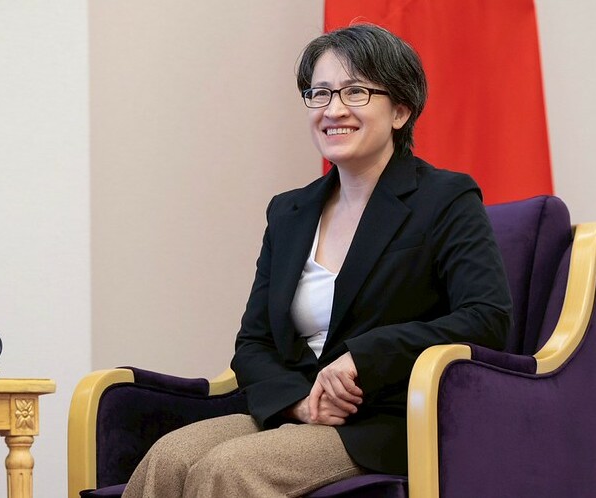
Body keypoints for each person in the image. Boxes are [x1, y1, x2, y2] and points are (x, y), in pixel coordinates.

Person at [123, 23, 512, 498]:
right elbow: (253, 343)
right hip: (298, 409)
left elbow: (487, 318)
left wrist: (363, 358)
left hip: (385, 420)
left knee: (229, 468)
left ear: (400, 110)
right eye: (320, 93)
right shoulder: (289, 212)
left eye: (356, 92)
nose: (333, 110)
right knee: (168, 456)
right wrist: (300, 405)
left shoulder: (445, 198)